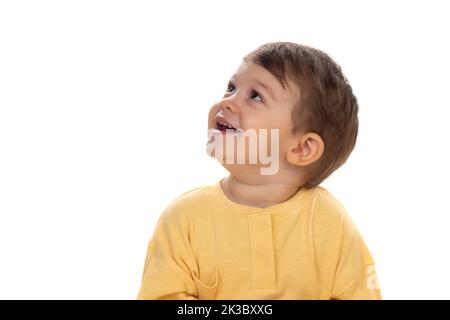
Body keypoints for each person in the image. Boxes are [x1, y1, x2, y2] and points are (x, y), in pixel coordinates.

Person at [137, 42, 381, 300]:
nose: (226, 102)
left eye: (255, 96)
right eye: (231, 88)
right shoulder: (183, 219)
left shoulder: (331, 222)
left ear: (303, 148)